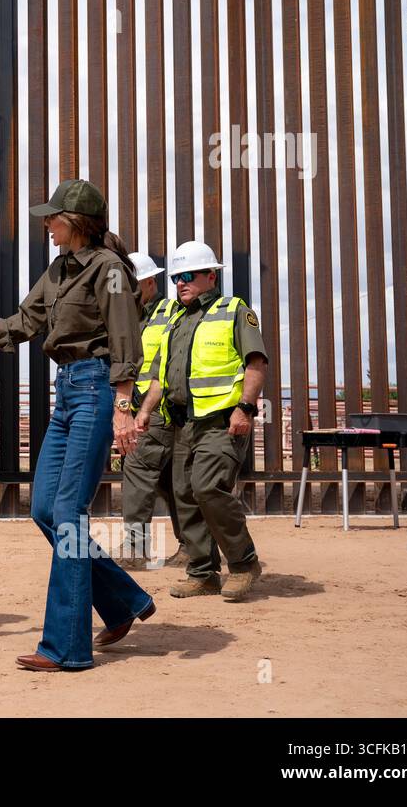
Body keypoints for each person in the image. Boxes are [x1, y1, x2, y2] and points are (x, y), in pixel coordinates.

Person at [0, 179, 155, 671]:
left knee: (68, 512)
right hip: (67, 390)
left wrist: (124, 407)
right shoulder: (59, 269)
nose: (45, 224)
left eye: (52, 217)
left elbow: (125, 337)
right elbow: (25, 321)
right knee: (46, 507)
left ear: (76, 223)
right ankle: (124, 598)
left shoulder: (109, 269)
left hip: (96, 388)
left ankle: (66, 647)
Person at [135, 240, 268, 602]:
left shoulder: (234, 310)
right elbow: (162, 376)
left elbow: (256, 363)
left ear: (212, 276)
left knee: (208, 488)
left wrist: (246, 408)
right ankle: (203, 573)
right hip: (182, 423)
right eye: (177, 276)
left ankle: (243, 563)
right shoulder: (175, 319)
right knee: (184, 496)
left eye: (189, 275)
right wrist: (146, 410)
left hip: (221, 421)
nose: (181, 282)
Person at [113, 251, 187, 569]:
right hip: (146, 408)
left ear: (148, 281)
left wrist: (142, 409)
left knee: (137, 471)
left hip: (157, 408)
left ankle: (134, 548)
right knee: (173, 482)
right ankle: (193, 547)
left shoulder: (172, 312)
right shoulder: (134, 316)